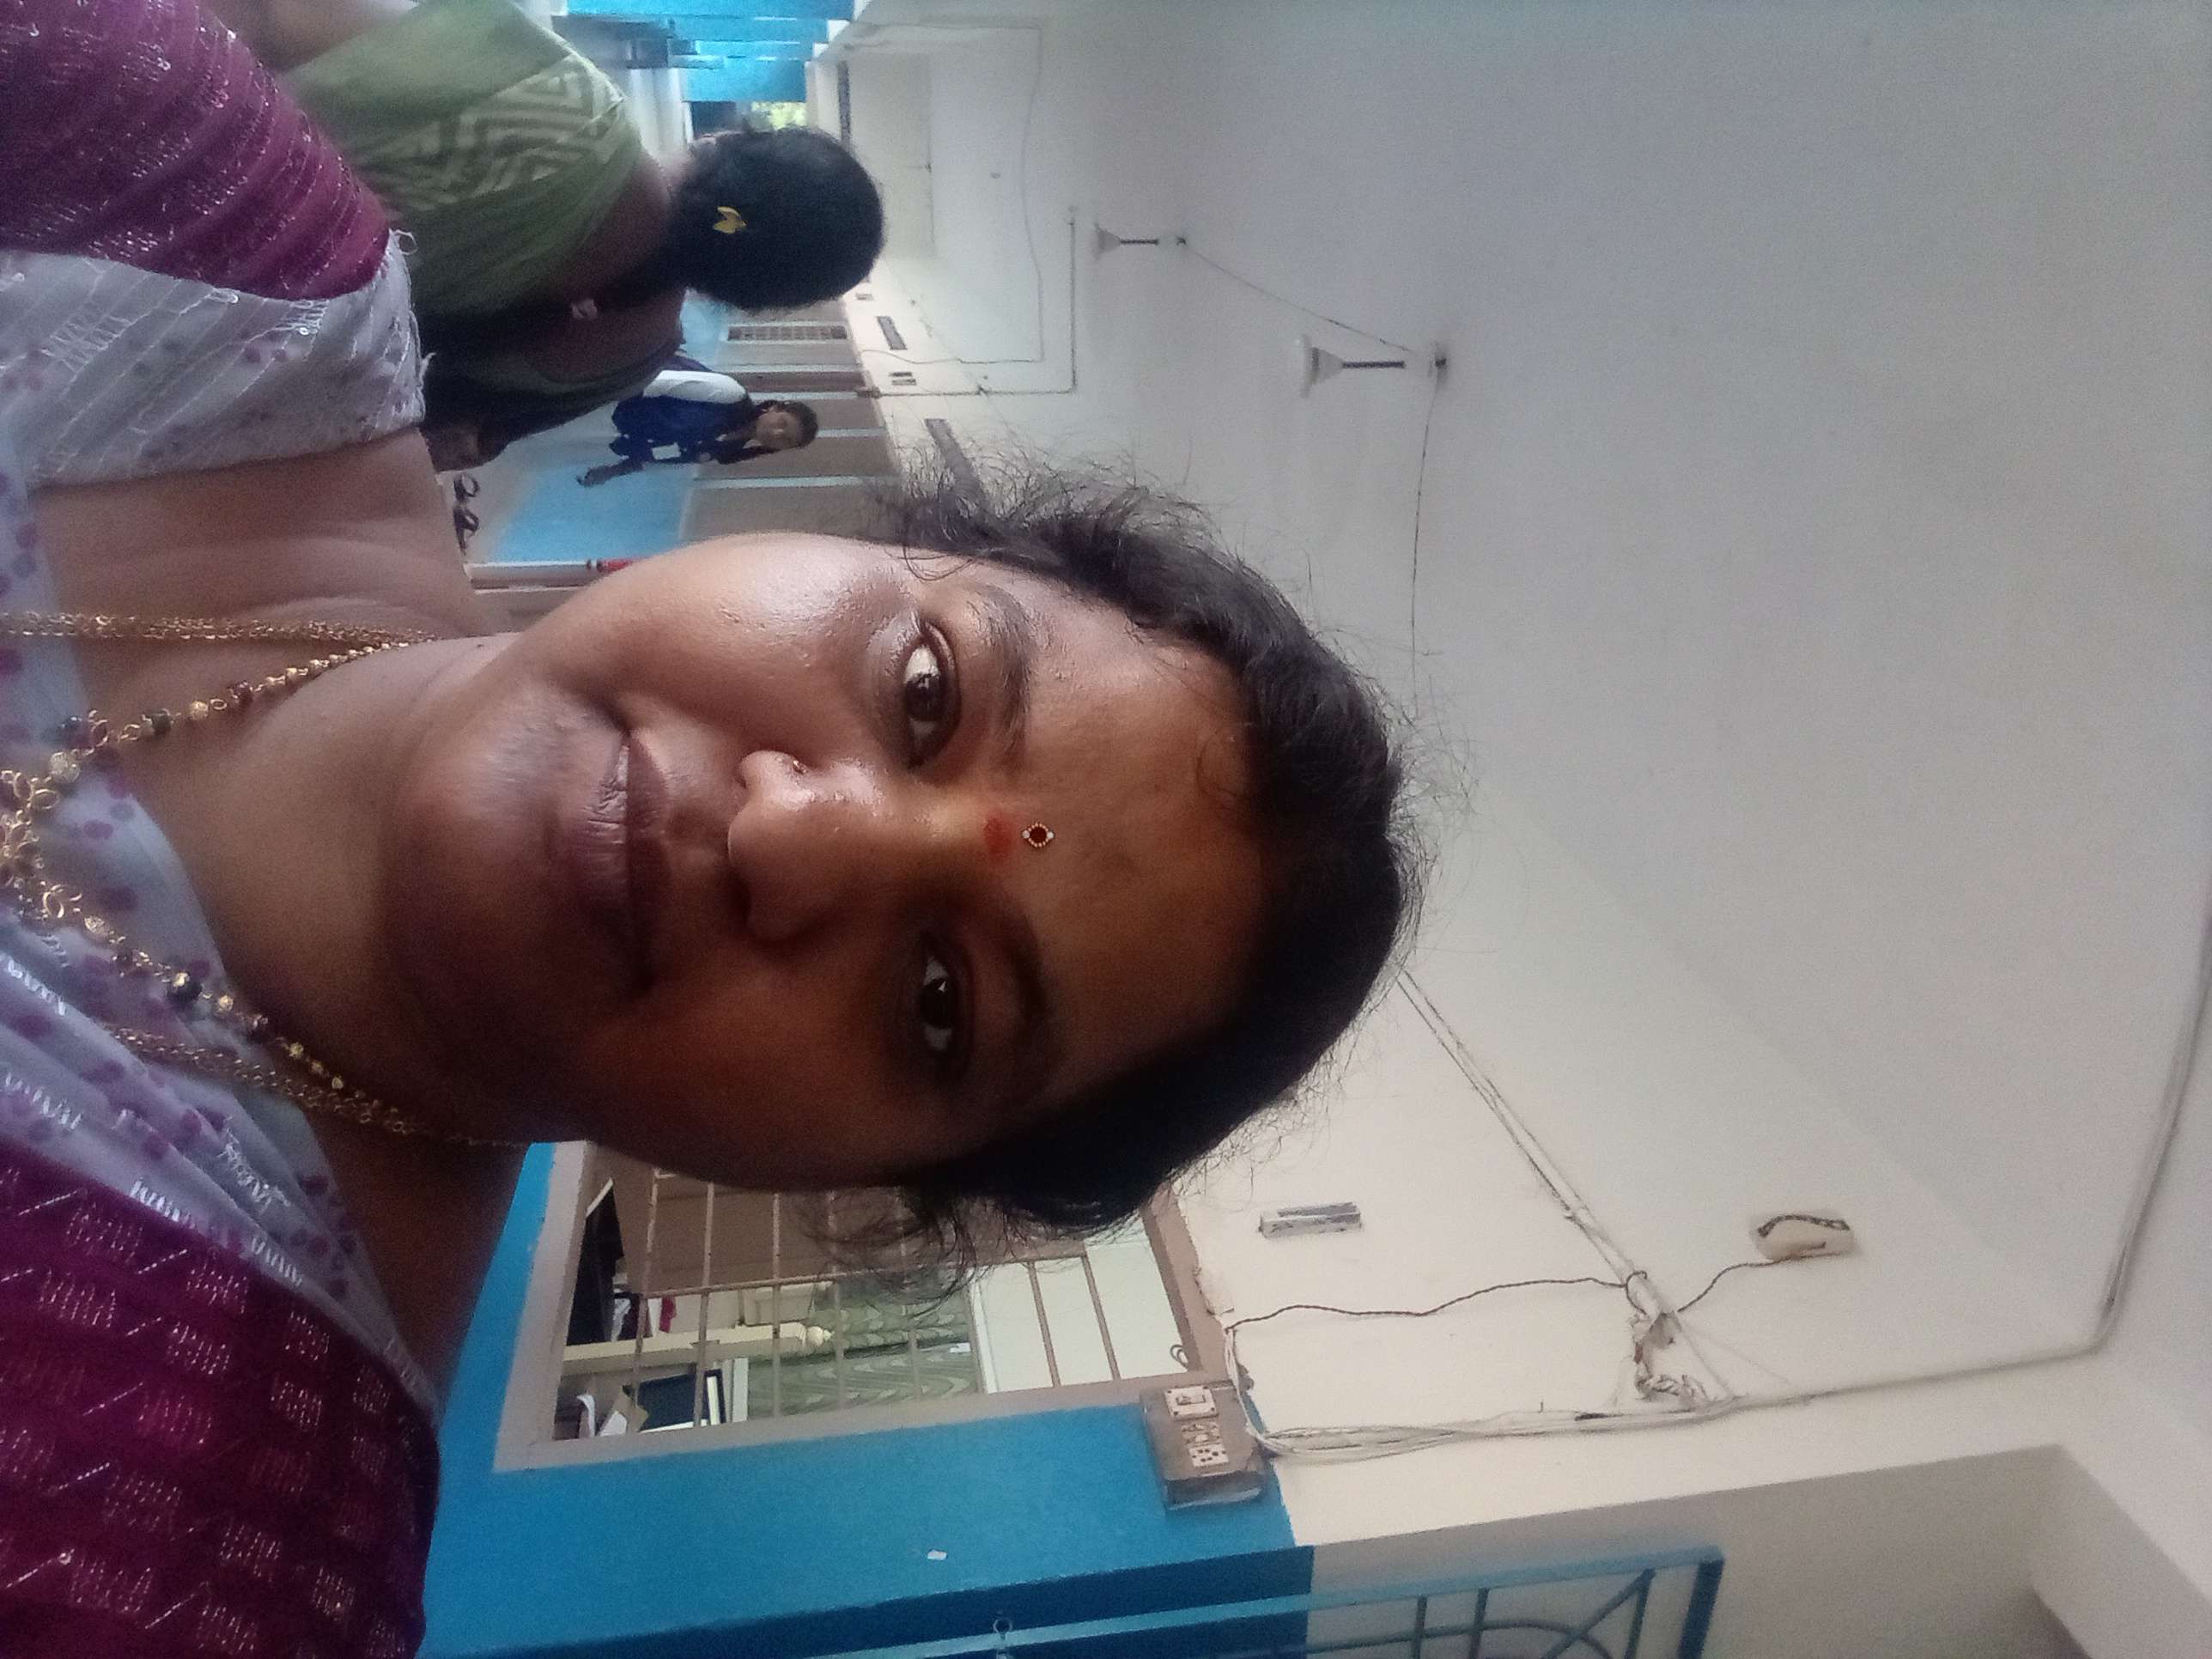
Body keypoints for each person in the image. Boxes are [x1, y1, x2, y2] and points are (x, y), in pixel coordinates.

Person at [0, 0, 1413, 1650]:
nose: (796, 844)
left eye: (939, 1004)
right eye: (926, 693)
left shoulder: (183, 1530)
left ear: (870, 1181)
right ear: (873, 539)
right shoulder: (157, 205)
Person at [208, 0, 885, 465]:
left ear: (725, 143)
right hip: (210, 390)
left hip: (169, 193)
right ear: (744, 296)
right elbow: (426, 438)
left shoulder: (571, 117)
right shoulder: (628, 360)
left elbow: (274, 15)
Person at [579, 361, 817, 487]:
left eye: (784, 439)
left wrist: (611, 471)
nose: (776, 432)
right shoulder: (729, 394)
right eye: (782, 423)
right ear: (775, 408)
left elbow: (661, 462)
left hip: (600, 447)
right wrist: (594, 397)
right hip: (603, 410)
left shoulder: (726, 451)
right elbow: (659, 382)